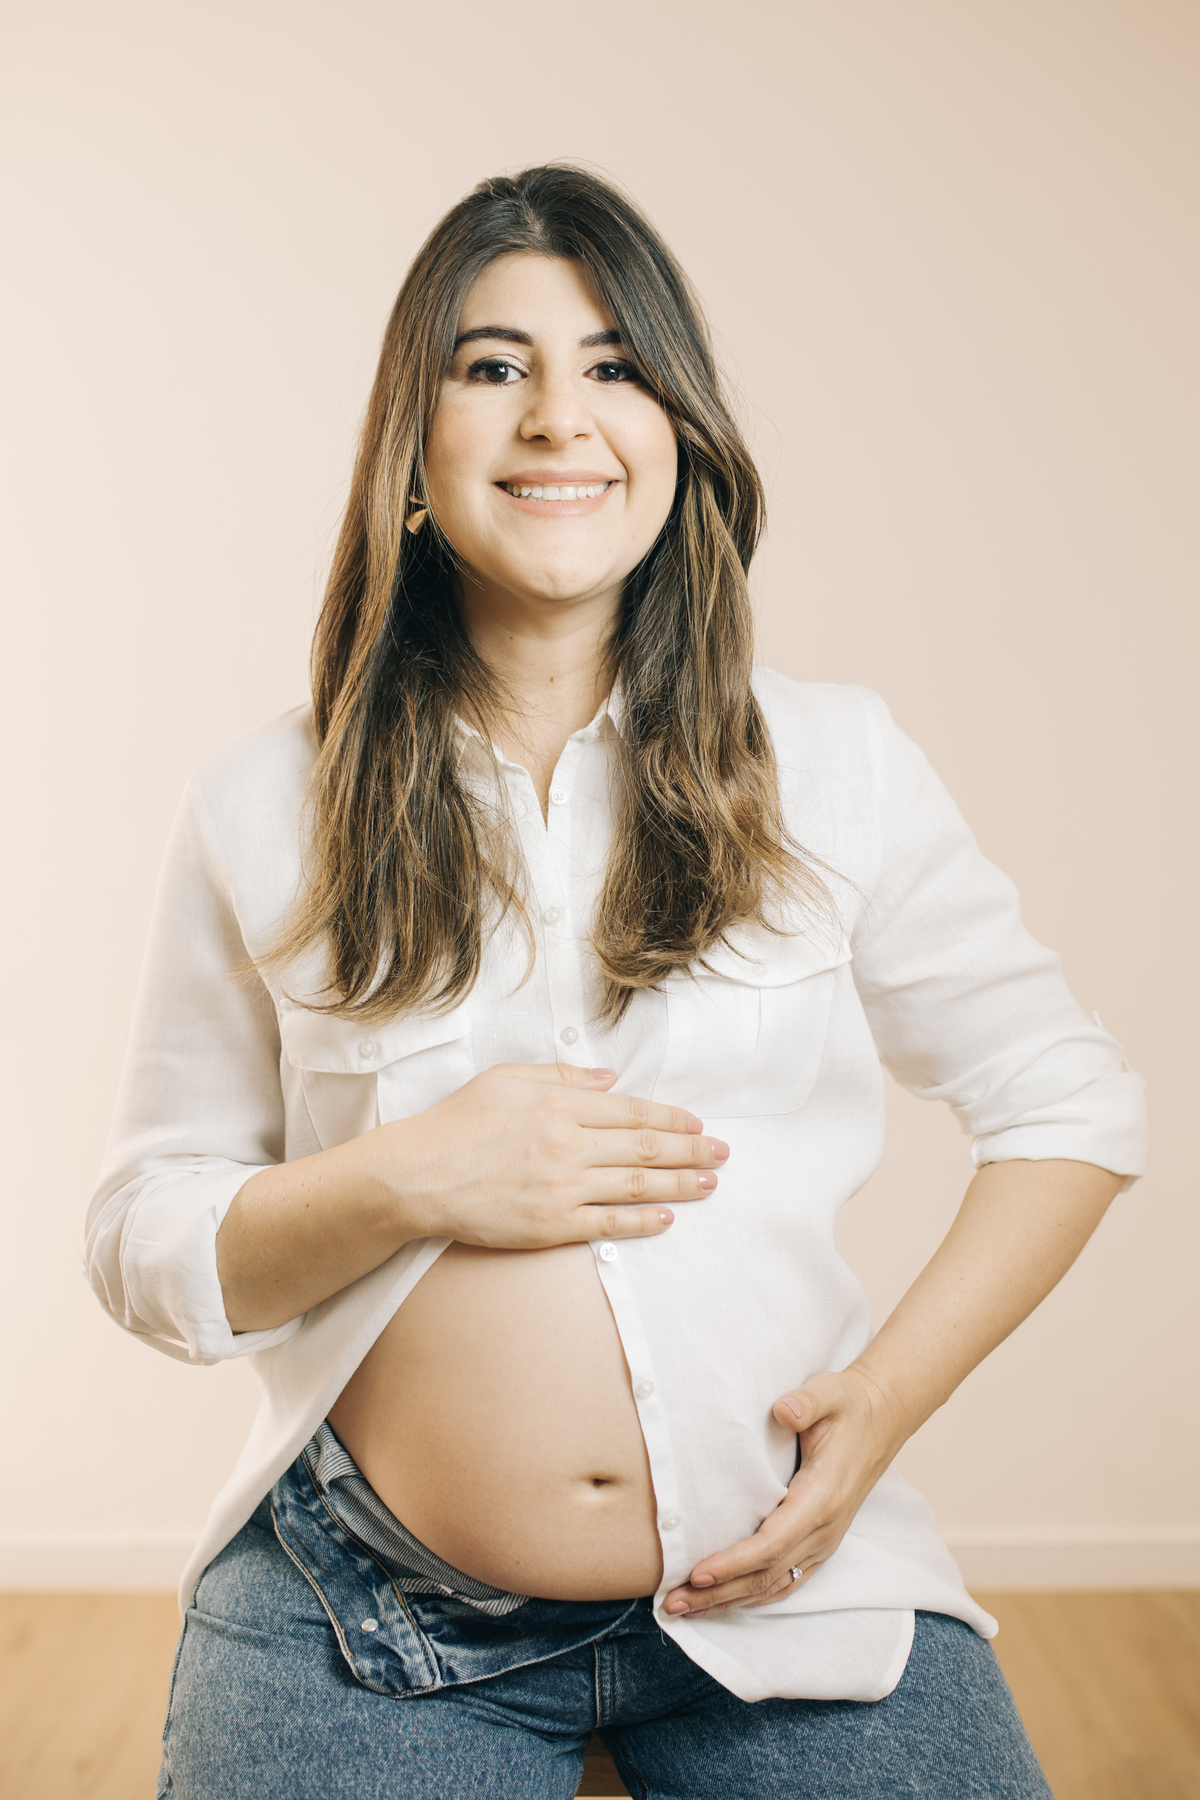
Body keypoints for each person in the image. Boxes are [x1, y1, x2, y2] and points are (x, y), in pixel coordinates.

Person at [86, 165, 1146, 1799]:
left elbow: (1070, 1102)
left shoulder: (837, 765)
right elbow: (143, 1240)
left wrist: (883, 1405)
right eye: (493, 365)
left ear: (678, 435)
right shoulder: (262, 803)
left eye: (615, 365)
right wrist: (409, 1177)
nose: (557, 417)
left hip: (785, 1588)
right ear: (413, 451)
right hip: (366, 1611)